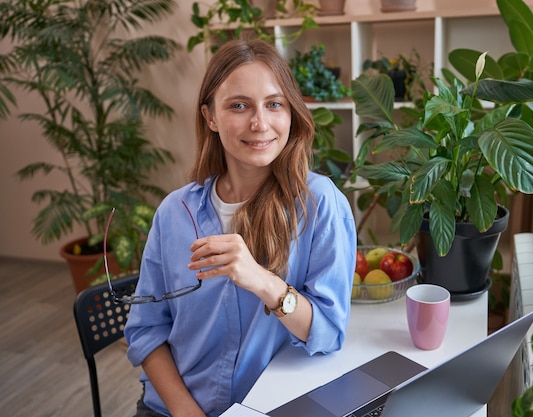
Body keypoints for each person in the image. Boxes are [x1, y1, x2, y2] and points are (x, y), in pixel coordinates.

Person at [123, 38, 357, 417]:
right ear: (211, 117)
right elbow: (146, 331)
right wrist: (187, 413)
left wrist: (263, 281)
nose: (260, 123)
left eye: (274, 104)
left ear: (291, 113)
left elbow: (328, 333)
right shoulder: (173, 214)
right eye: (238, 105)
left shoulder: (319, 204)